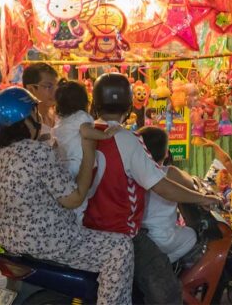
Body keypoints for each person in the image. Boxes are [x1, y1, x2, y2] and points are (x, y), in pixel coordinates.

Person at [0, 87, 134, 304]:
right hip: (46, 244)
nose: (39, 118)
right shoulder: (39, 152)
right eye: (35, 114)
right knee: (120, 247)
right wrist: (88, 148)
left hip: (9, 242)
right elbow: (74, 199)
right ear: (25, 120)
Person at [81, 73, 220, 305]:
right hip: (121, 234)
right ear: (128, 106)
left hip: (85, 232)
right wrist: (201, 198)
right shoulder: (128, 140)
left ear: (94, 104)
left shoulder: (83, 133)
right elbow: (162, 187)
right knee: (167, 293)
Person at [138, 127, 201, 263]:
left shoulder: (135, 174)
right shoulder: (170, 172)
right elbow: (190, 185)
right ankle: (165, 263)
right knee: (191, 235)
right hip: (162, 237)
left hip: (140, 237)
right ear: (166, 153)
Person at [50, 80, 98, 223]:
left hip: (65, 164)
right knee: (81, 198)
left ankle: (70, 222)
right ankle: (78, 224)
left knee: (69, 195)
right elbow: (87, 132)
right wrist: (106, 134)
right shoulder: (82, 116)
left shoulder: (60, 121)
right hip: (80, 162)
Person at [22, 63, 59, 137]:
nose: (55, 91)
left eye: (56, 86)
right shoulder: (25, 124)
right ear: (31, 89)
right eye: (48, 86)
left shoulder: (57, 116)